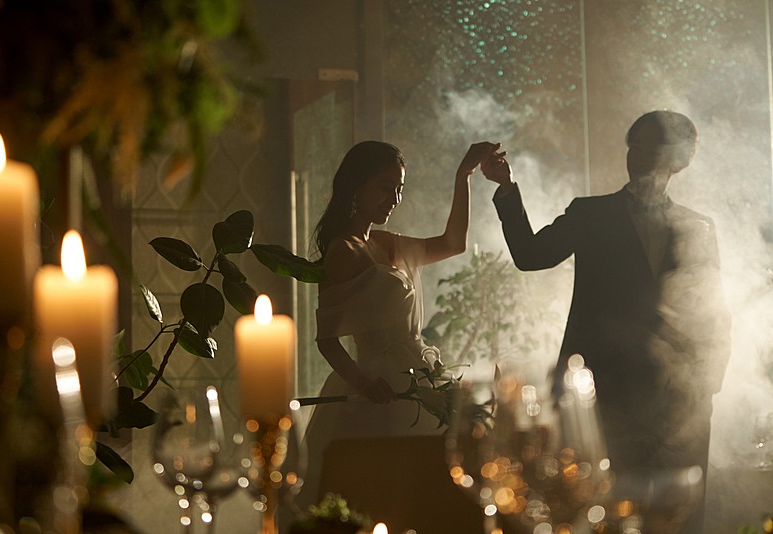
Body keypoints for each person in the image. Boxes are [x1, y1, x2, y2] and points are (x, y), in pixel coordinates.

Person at [481, 110, 731, 533]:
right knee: (597, 513)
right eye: (635, 147)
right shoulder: (591, 214)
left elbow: (714, 312)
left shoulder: (698, 227)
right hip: (599, 398)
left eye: (653, 148)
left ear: (682, 159)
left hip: (678, 404)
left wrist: (707, 385)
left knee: (679, 519)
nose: (640, 158)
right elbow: (530, 254)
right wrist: (505, 188)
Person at [297, 139, 499, 509]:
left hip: (419, 375)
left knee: (436, 487)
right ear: (356, 186)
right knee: (381, 492)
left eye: (399, 189)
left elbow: (453, 243)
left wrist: (463, 175)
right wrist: (365, 384)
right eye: (385, 187)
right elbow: (326, 340)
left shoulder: (383, 242)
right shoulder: (343, 251)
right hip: (377, 389)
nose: (394, 198)